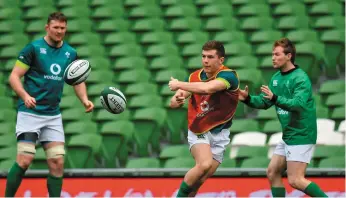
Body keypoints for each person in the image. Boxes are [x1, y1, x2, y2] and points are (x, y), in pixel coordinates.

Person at [5, 12, 94, 197]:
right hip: (30, 113)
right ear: (47, 27)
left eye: (62, 28)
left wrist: (84, 99)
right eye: (56, 27)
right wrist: (25, 95)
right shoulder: (33, 49)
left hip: (52, 116)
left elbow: (78, 80)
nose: (59, 31)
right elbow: (14, 76)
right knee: (24, 160)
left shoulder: (70, 53)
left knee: (57, 162)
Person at [239, 38, 327, 197]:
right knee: (273, 172)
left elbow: (298, 104)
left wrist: (275, 98)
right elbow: (265, 102)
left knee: (296, 180)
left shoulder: (300, 78)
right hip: (288, 135)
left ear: (289, 56)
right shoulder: (276, 78)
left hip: (302, 134)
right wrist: (248, 99)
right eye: (272, 54)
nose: (273, 57)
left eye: (277, 54)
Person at [168, 40, 239, 197]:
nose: (206, 60)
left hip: (221, 133)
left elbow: (208, 87)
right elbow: (174, 103)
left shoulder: (228, 76)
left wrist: (179, 84)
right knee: (204, 164)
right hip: (198, 128)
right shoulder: (194, 77)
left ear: (221, 60)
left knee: (199, 180)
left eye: (210, 57)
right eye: (203, 56)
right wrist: (177, 100)